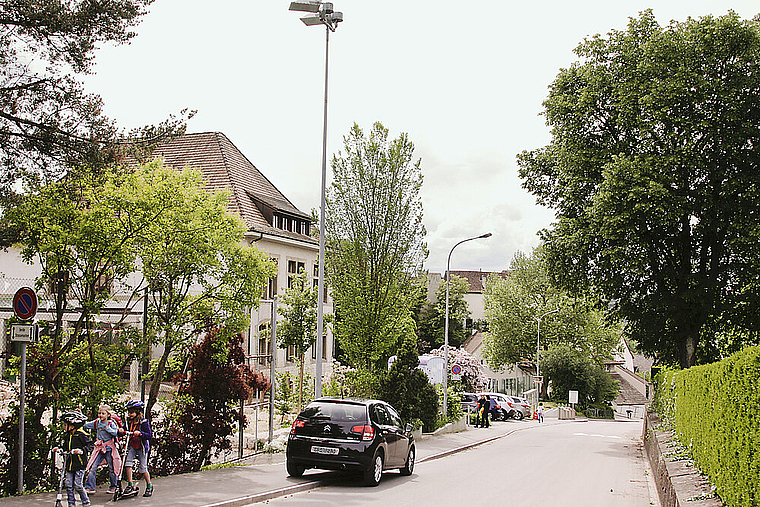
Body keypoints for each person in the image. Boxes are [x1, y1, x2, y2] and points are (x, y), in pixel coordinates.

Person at [53, 410, 93, 507]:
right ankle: (71, 504)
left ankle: (86, 502)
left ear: (72, 425)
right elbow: (65, 446)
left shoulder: (81, 434)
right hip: (69, 464)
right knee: (68, 484)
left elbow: (91, 446)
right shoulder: (68, 436)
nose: (63, 426)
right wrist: (59, 448)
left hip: (79, 464)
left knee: (78, 485)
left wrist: (81, 450)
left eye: (65, 424)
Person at [84, 404, 121, 494]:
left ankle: (113, 486)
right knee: (92, 466)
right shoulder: (97, 422)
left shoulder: (110, 423)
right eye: (99, 413)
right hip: (99, 449)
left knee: (112, 468)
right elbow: (86, 425)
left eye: (103, 413)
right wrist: (81, 416)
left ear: (108, 415)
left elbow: (116, 432)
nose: (100, 415)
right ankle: (90, 487)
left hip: (109, 449)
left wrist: (108, 429)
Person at [121, 400, 154, 497]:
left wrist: (140, 434)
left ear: (138, 412)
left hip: (141, 447)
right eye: (129, 412)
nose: (129, 414)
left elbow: (149, 436)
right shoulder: (128, 421)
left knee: (143, 468)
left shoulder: (143, 422)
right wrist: (121, 430)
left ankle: (149, 485)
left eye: (132, 412)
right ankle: (130, 484)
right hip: (132, 446)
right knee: (127, 464)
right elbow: (125, 429)